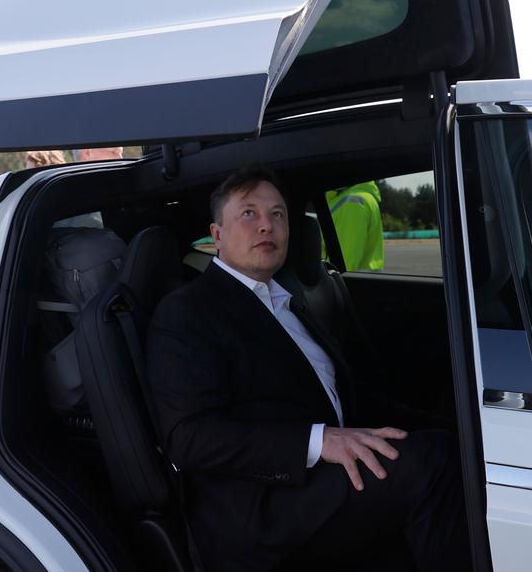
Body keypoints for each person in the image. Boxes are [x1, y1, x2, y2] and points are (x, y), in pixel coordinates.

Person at [146, 165, 461, 571]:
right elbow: (189, 438)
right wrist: (318, 441)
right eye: (249, 213)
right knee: (432, 464)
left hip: (322, 480)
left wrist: (452, 426)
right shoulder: (187, 311)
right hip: (263, 508)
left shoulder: (285, 299)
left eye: (277, 214)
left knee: (452, 443)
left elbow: (346, 394)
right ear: (217, 235)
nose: (267, 225)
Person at [326, 181, 385, 272]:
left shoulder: (351, 201)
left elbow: (345, 264)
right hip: (364, 278)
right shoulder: (352, 198)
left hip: (347, 280)